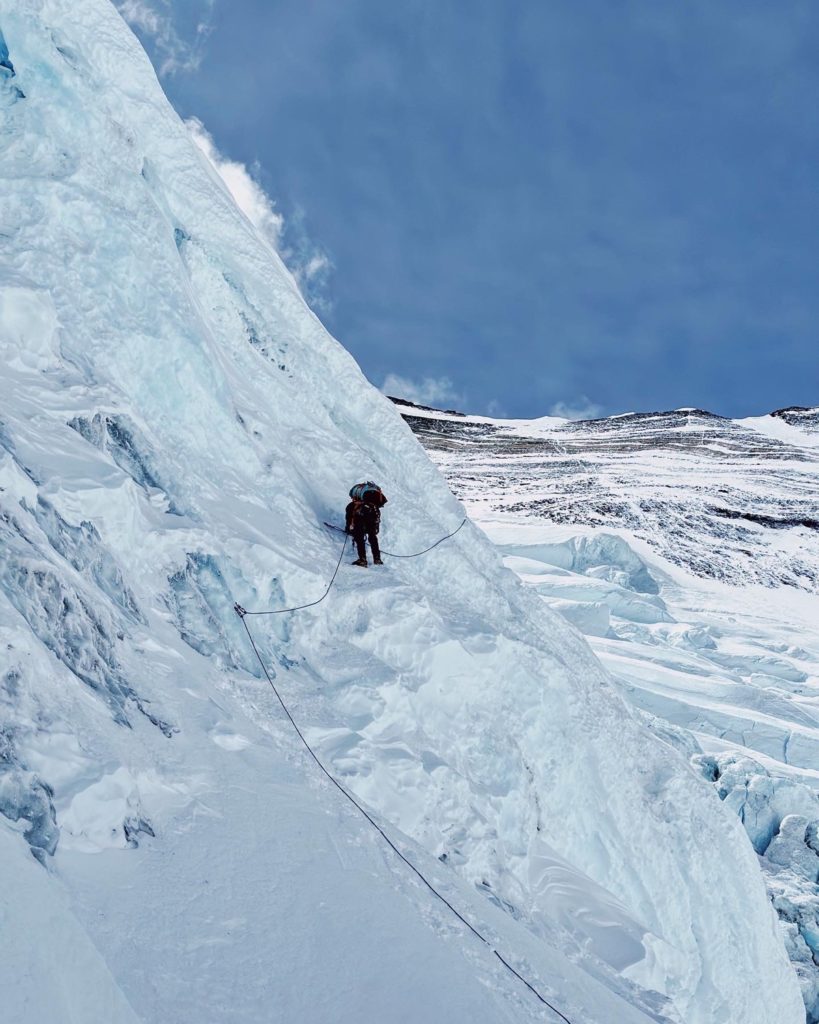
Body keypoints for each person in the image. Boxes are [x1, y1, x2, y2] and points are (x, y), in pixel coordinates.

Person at [345, 481, 388, 567]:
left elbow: (349, 517)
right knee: (372, 537)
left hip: (362, 515)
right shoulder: (375, 505)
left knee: (359, 536)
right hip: (373, 515)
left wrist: (349, 529)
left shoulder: (353, 505)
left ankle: (362, 560)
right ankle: (377, 559)